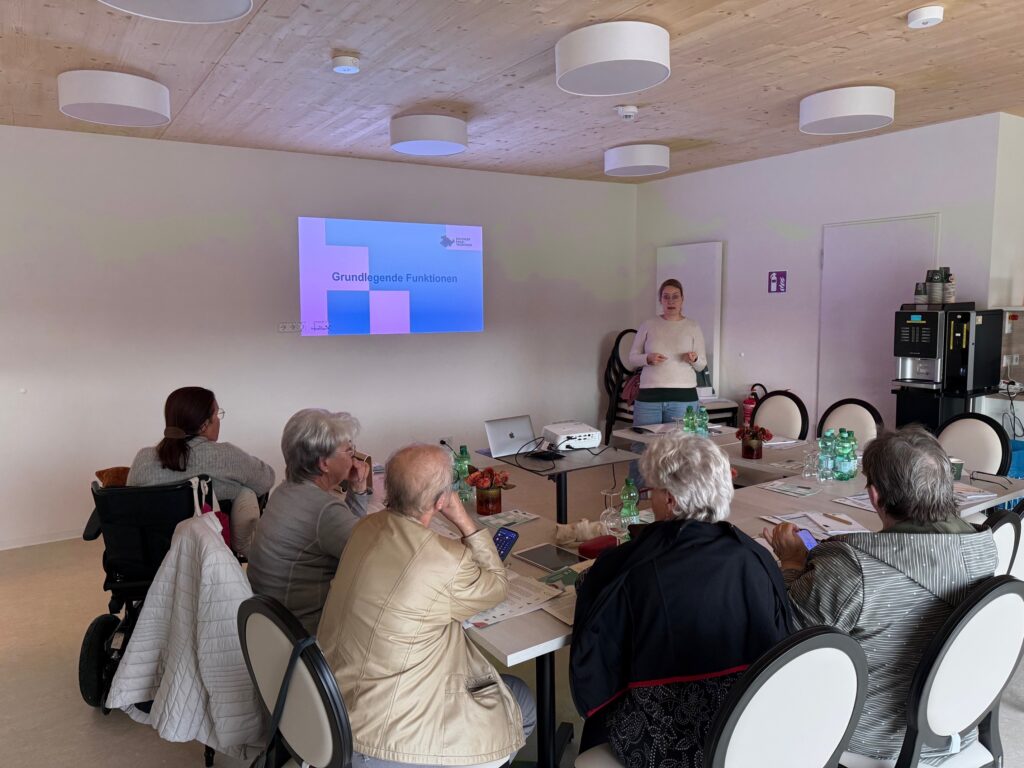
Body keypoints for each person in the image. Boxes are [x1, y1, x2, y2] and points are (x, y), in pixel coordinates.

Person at [764, 425, 998, 763]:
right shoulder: (984, 546)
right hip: (954, 726)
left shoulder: (853, 567)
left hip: (873, 741)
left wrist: (791, 561)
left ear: (874, 496)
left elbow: (787, 640)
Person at [571, 433, 790, 767]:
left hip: (664, 740)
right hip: (746, 727)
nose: (651, 500)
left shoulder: (625, 566)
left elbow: (596, 659)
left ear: (670, 500)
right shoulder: (755, 557)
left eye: (653, 491)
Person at [318, 444, 535, 768]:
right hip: (389, 739)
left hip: (332, 709)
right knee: (521, 701)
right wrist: (463, 519)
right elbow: (497, 585)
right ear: (440, 500)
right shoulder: (446, 559)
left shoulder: (364, 528)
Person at [246, 408, 370, 636]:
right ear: (324, 464)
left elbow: (349, 535)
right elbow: (369, 555)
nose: (354, 456)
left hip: (269, 629)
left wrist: (358, 490)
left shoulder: (283, 491)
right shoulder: (324, 509)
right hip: (306, 636)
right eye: (348, 450)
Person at [128, 386, 275, 557]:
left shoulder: (143, 459)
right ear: (205, 424)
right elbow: (266, 480)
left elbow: (131, 507)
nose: (219, 420)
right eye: (217, 414)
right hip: (209, 558)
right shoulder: (227, 456)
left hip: (151, 559)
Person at [627, 278, 707, 485]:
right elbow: (632, 358)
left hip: (683, 399)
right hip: (649, 398)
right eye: (666, 297)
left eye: (675, 297)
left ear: (682, 300)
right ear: (660, 300)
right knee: (641, 447)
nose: (671, 301)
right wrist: (648, 358)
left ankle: (677, 495)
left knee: (681, 448)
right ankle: (636, 496)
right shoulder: (649, 325)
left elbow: (701, 365)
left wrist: (694, 359)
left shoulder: (692, 326)